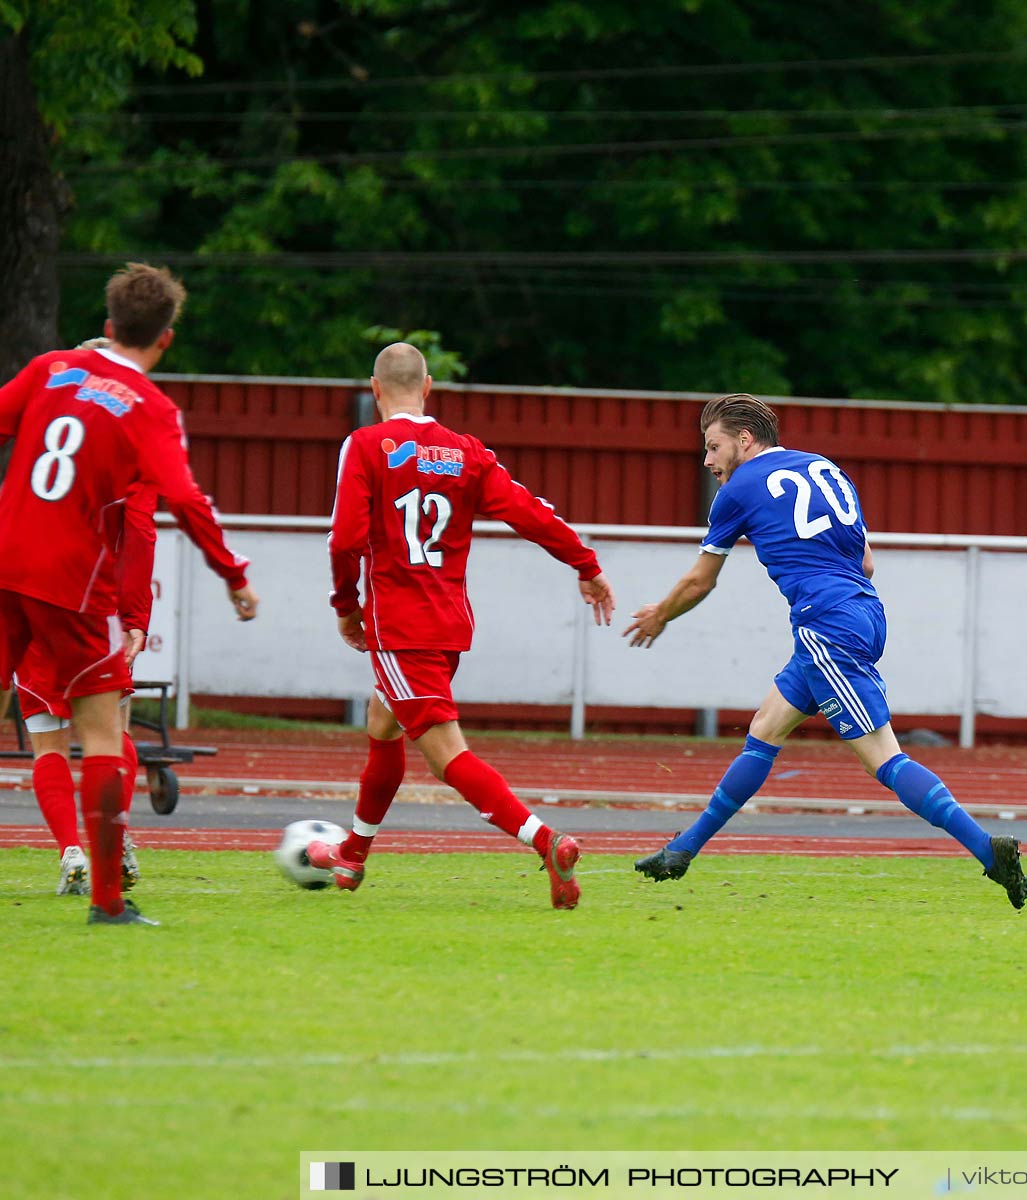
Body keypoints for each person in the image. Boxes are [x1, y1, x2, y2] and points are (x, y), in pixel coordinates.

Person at [622, 393, 1027, 909]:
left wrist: (660, 613)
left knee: (883, 758)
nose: (707, 460)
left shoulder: (738, 490)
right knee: (765, 729)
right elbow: (867, 564)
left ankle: (989, 852)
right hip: (860, 614)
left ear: (744, 440)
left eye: (713, 446)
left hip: (825, 626)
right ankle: (683, 850)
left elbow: (701, 582)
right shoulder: (826, 469)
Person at [312, 342, 615, 909]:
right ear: (428, 388)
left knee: (446, 754)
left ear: (374, 390)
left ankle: (546, 841)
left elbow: (346, 539)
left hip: (401, 628)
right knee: (382, 723)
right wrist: (585, 563)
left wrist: (344, 606)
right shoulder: (465, 451)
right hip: (448, 624)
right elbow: (529, 510)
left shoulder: (365, 445)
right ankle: (353, 854)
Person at [0, 263, 258, 926]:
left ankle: (85, 868)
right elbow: (183, 499)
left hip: (5, 557)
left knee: (51, 727)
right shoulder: (151, 409)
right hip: (72, 583)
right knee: (103, 732)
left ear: (109, 326)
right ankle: (108, 900)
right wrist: (233, 574)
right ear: (165, 339)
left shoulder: (53, 367)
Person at [14, 481, 156, 897]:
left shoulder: (33, 444)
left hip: (32, 602)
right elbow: (140, 535)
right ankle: (118, 838)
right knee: (112, 735)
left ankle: (71, 851)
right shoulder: (128, 453)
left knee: (48, 745)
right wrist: (136, 615)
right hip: (96, 608)